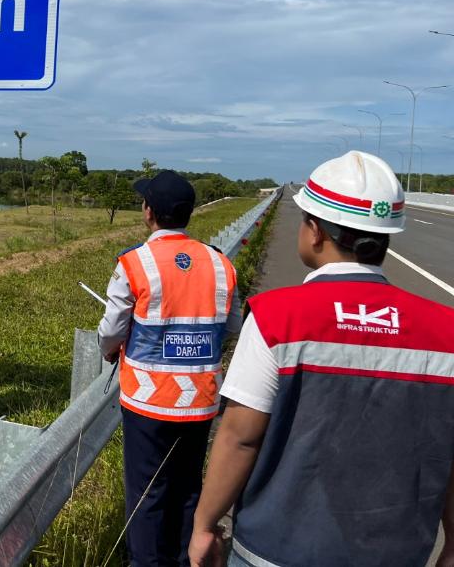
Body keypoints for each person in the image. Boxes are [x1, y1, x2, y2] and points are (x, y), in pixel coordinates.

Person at [189, 151, 454, 567]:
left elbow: (240, 436)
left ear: (314, 232)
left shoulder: (277, 317)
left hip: (274, 551)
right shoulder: (446, 330)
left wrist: (204, 525)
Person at [98, 169, 241, 567]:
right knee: (188, 488)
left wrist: (112, 351)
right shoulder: (220, 264)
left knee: (148, 495)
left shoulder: (134, 263)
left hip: (149, 402)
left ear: (149, 212)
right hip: (201, 401)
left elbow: (111, 332)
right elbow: (232, 327)